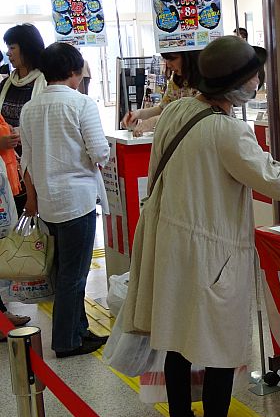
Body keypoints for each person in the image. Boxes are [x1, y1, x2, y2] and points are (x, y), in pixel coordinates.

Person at [122, 36, 280, 417]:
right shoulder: (228, 130)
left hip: (172, 245)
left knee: (177, 338)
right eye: (255, 76)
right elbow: (276, 183)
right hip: (213, 252)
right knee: (220, 342)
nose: (259, 81)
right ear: (238, 85)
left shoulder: (178, 110)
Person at [19, 42, 110, 357]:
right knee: (75, 273)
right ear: (74, 70)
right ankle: (66, 341)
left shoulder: (31, 108)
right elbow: (99, 152)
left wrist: (32, 197)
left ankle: (79, 331)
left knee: (62, 270)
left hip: (47, 201)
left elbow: (25, 161)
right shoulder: (82, 104)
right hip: (78, 200)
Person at [1, 24, 46, 214]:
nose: (8, 53)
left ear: (26, 48)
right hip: (8, 169)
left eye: (12, 47)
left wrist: (21, 132)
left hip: (38, 167)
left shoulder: (46, 82)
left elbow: (48, 122)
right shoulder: (5, 84)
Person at [121, 50, 201, 136]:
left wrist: (153, 122)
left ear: (188, 57)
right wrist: (138, 114)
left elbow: (190, 114)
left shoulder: (204, 81)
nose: (168, 65)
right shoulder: (176, 79)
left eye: (172, 59)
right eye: (166, 60)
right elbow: (163, 109)